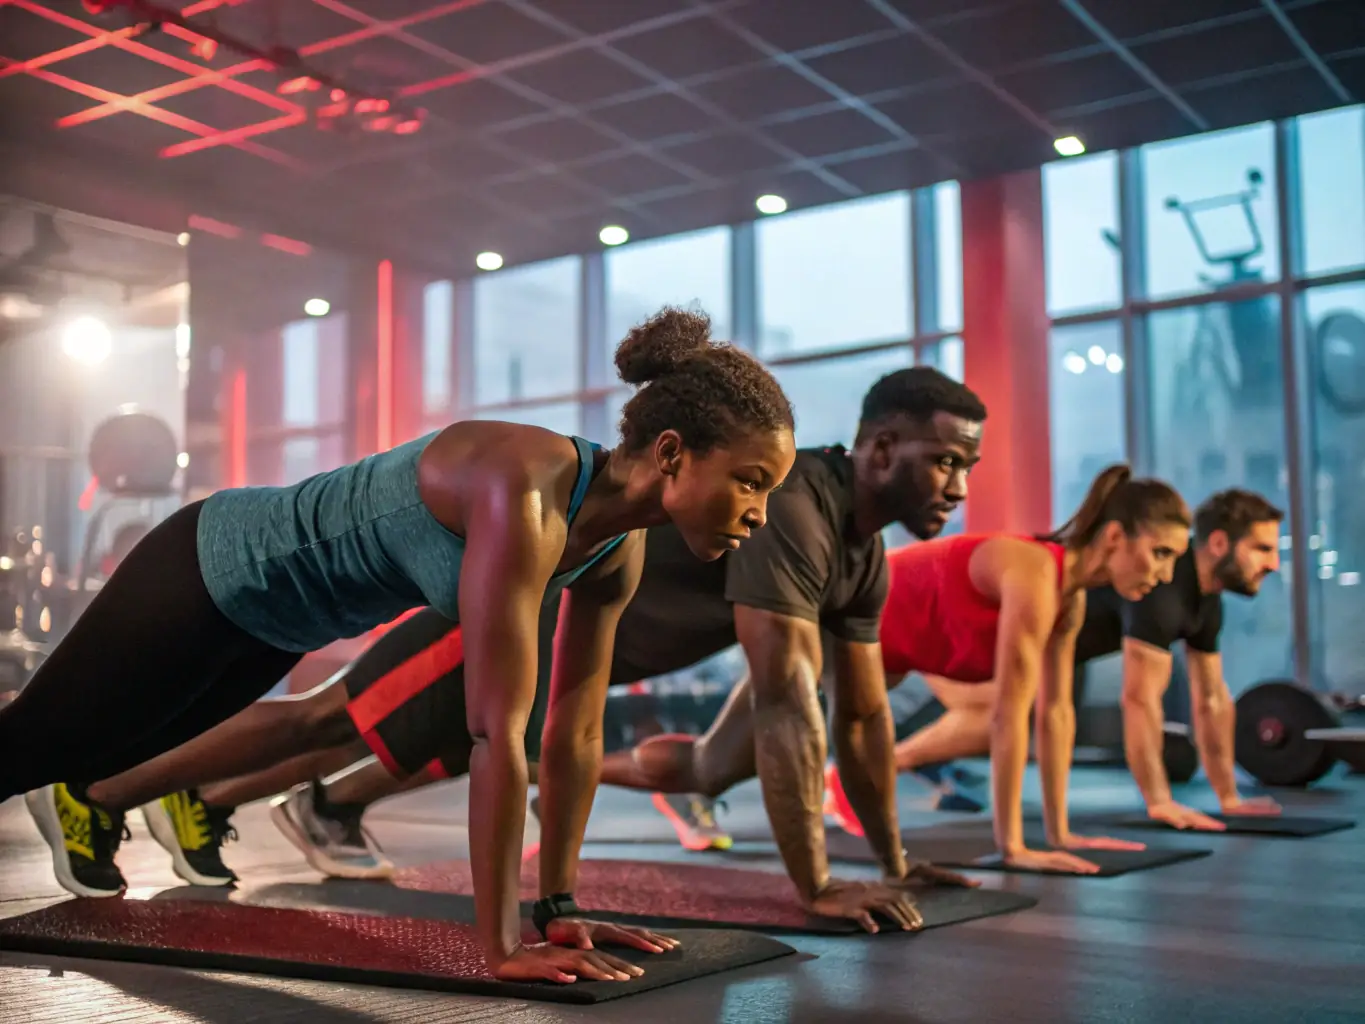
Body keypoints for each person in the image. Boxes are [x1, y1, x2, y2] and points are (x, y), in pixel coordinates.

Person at [6, 307, 797, 986]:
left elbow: (575, 734)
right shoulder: (526, 483)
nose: (759, 512)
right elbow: (495, 732)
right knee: (35, 746)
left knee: (100, 752)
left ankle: (95, 799)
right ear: (669, 453)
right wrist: (501, 948)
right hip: (210, 566)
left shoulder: (613, 553)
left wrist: (557, 910)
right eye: (751, 480)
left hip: (274, 630)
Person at [51, 367, 990, 935]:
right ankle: (109, 791)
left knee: (400, 739)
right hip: (511, 602)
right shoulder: (796, 511)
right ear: (878, 448)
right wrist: (819, 884)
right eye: (944, 459)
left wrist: (895, 861)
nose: (956, 483)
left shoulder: (861, 556)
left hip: (572, 634)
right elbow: (787, 699)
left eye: (967, 468)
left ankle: (252, 802)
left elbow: (861, 713)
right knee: (339, 716)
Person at [859, 488, 1285, 828]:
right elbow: (1139, 701)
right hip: (966, 629)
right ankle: (877, 770)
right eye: (1263, 549)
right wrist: (1159, 802)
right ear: (1218, 542)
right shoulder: (1159, 594)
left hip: (1047, 650)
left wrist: (1229, 797)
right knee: (1000, 718)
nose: (1274, 563)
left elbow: (1211, 700)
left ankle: (878, 770)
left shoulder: (1202, 603)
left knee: (1012, 718)